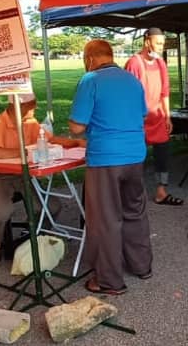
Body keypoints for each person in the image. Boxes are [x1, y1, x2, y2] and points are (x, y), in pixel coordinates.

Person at [69, 40, 152, 295]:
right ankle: (142, 266)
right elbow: (143, 114)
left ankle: (109, 280)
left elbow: (76, 127)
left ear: (89, 59)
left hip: (105, 158)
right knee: (135, 211)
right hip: (135, 156)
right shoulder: (132, 80)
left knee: (106, 219)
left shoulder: (90, 80)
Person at [0, 93, 83, 274]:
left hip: (21, 174)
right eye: (31, 104)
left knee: (51, 206)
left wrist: (76, 143)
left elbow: (50, 140)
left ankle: (34, 236)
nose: (35, 108)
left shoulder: (30, 123)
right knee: (2, 210)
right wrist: (27, 151)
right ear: (16, 106)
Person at [124, 28, 180, 206]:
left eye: (163, 44)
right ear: (147, 41)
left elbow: (165, 92)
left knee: (162, 154)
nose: (161, 47)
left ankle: (161, 192)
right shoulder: (134, 63)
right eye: (158, 43)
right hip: (139, 119)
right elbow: (128, 95)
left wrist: (167, 117)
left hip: (158, 117)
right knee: (136, 157)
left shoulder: (160, 63)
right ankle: (134, 194)